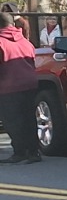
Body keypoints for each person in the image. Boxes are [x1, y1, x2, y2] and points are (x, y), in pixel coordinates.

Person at [0, 10, 41, 163]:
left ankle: (20, 152)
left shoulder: (1, 42)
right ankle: (33, 152)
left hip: (8, 86)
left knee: (13, 121)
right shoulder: (25, 41)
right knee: (29, 118)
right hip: (30, 84)